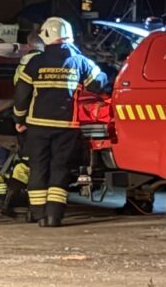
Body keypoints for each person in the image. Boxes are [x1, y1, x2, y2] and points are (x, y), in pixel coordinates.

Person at [12, 16, 110, 226]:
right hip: (67, 125)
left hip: (37, 124)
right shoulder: (80, 61)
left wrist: (19, 118)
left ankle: (38, 214)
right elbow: (98, 83)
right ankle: (54, 216)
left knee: (38, 166)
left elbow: (21, 94)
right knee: (60, 167)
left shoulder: (35, 62)